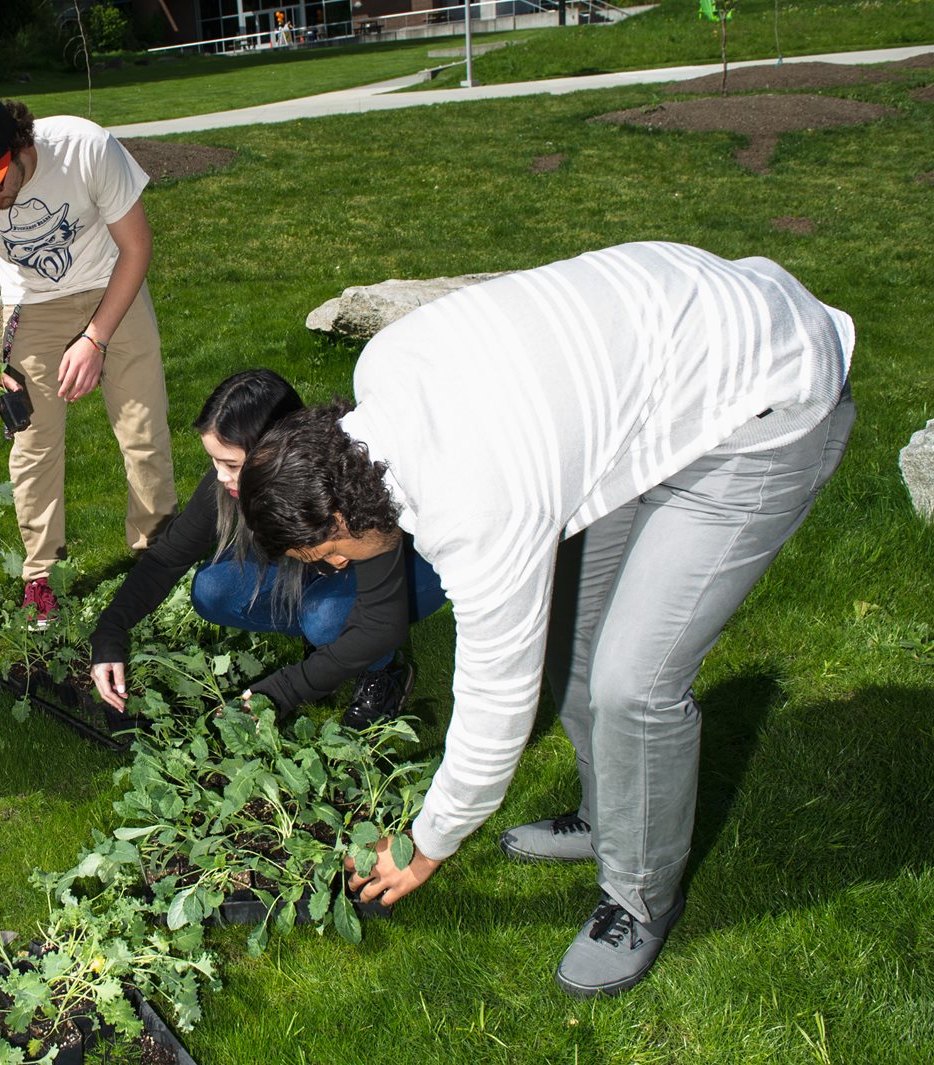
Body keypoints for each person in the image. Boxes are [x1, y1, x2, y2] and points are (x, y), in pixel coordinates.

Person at [237, 242, 855, 997]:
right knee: (571, 630)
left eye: (324, 551)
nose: (332, 566)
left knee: (634, 682)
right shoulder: (382, 372)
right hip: (660, 382)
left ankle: (638, 898)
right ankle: (610, 817)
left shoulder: (474, 506)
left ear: (340, 504)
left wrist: (427, 843)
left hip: (761, 396)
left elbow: (496, 707)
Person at [0, 88, 177, 627]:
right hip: (32, 307)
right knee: (32, 446)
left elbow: (137, 246)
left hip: (114, 284)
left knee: (142, 428)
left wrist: (95, 338)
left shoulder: (84, 147)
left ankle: (158, 558)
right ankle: (41, 578)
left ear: (17, 148)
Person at [89, 370, 444, 726]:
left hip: (409, 574)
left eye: (232, 465)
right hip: (328, 579)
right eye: (214, 461)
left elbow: (381, 622)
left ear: (275, 451)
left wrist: (283, 690)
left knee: (325, 618)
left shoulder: (343, 488)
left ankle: (382, 672)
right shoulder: (225, 485)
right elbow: (168, 557)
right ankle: (335, 647)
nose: (220, 476)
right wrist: (110, 631)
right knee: (213, 588)